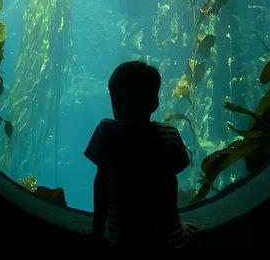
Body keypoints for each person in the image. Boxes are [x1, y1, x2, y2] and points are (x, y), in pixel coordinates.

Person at [83, 60, 199, 254]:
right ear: (155, 103)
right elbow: (171, 181)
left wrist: (97, 228)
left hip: (122, 241)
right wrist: (176, 226)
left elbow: (100, 181)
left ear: (114, 102)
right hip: (170, 242)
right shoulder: (169, 134)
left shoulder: (106, 130)